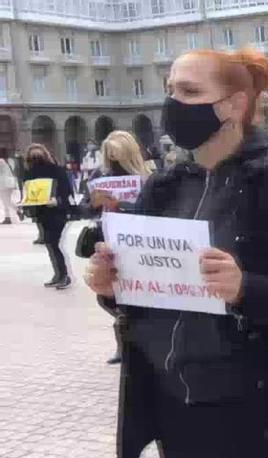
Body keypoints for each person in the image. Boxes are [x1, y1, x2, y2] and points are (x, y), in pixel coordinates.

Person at [83, 47, 268, 458]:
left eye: (190, 91)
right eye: (171, 90)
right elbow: (147, 297)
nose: (174, 103)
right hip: (182, 414)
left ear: (234, 105)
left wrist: (245, 290)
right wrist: (110, 287)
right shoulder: (164, 188)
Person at [82, 130, 156, 365]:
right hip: (108, 242)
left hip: (139, 242)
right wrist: (93, 204)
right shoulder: (99, 176)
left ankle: (137, 343)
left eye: (117, 155)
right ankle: (123, 344)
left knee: (135, 295)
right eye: (109, 155)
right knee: (110, 294)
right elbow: (85, 209)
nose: (113, 160)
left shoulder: (147, 178)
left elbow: (154, 213)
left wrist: (120, 204)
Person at [23, 144, 74, 288]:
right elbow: (28, 192)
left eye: (38, 156)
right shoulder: (29, 172)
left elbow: (66, 190)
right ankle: (59, 275)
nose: (36, 159)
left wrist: (57, 200)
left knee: (52, 242)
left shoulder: (57, 170)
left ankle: (63, 276)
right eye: (33, 157)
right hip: (42, 213)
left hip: (57, 211)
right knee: (50, 243)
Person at [0, 148, 19, 224]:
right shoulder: (11, 161)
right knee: (8, 201)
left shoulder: (1, 161)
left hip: (3, 184)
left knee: (6, 202)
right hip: (10, 182)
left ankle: (8, 218)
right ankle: (18, 210)